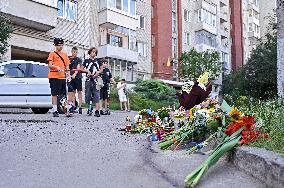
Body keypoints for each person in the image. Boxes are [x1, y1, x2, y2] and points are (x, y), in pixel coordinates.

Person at [47, 37, 71, 117]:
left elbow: (67, 67)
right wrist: (56, 67)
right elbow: (50, 65)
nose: (61, 46)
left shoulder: (65, 55)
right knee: (54, 94)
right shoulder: (52, 54)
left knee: (64, 95)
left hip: (63, 77)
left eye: (62, 45)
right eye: (59, 45)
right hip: (54, 77)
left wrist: (69, 75)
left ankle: (66, 110)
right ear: (55, 45)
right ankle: (55, 110)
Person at [82, 47, 103, 117]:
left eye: (95, 52)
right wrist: (87, 71)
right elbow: (81, 69)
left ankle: (97, 110)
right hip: (88, 79)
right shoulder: (86, 61)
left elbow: (101, 69)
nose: (94, 53)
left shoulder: (98, 60)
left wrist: (98, 72)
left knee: (97, 94)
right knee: (88, 94)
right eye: (92, 51)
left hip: (96, 80)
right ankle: (89, 108)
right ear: (89, 52)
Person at [68, 46, 83, 114]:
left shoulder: (79, 59)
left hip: (78, 77)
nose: (75, 53)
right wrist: (69, 75)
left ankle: (80, 107)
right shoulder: (69, 59)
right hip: (71, 78)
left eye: (76, 52)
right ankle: (73, 107)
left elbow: (78, 67)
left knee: (79, 92)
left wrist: (75, 74)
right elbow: (68, 68)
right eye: (74, 52)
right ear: (72, 52)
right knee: (72, 92)